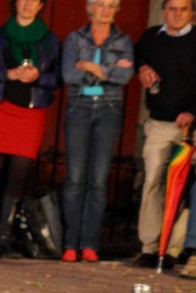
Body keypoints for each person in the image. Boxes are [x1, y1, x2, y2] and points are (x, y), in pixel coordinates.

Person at [0, 0, 61, 257]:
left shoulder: (50, 40)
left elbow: (57, 77)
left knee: (19, 173)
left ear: (41, 5)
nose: (27, 4)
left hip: (30, 113)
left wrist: (38, 78)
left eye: (33, 0)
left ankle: (2, 237)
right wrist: (7, 74)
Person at [60, 0, 133, 263]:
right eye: (100, 4)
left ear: (117, 10)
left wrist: (90, 67)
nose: (105, 10)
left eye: (111, 5)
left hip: (109, 109)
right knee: (76, 178)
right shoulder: (74, 38)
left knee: (99, 180)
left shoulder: (123, 41)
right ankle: (70, 244)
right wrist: (110, 71)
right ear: (89, 8)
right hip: (78, 106)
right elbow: (68, 74)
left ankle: (89, 244)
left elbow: (126, 78)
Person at [133, 0, 196, 268]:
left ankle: (173, 248)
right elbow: (138, 55)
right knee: (153, 182)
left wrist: (193, 112)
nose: (177, 13)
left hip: (190, 127)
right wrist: (142, 68)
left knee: (188, 188)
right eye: (172, 8)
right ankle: (150, 246)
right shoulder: (151, 37)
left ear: (192, 12)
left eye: (183, 8)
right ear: (164, 11)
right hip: (159, 122)